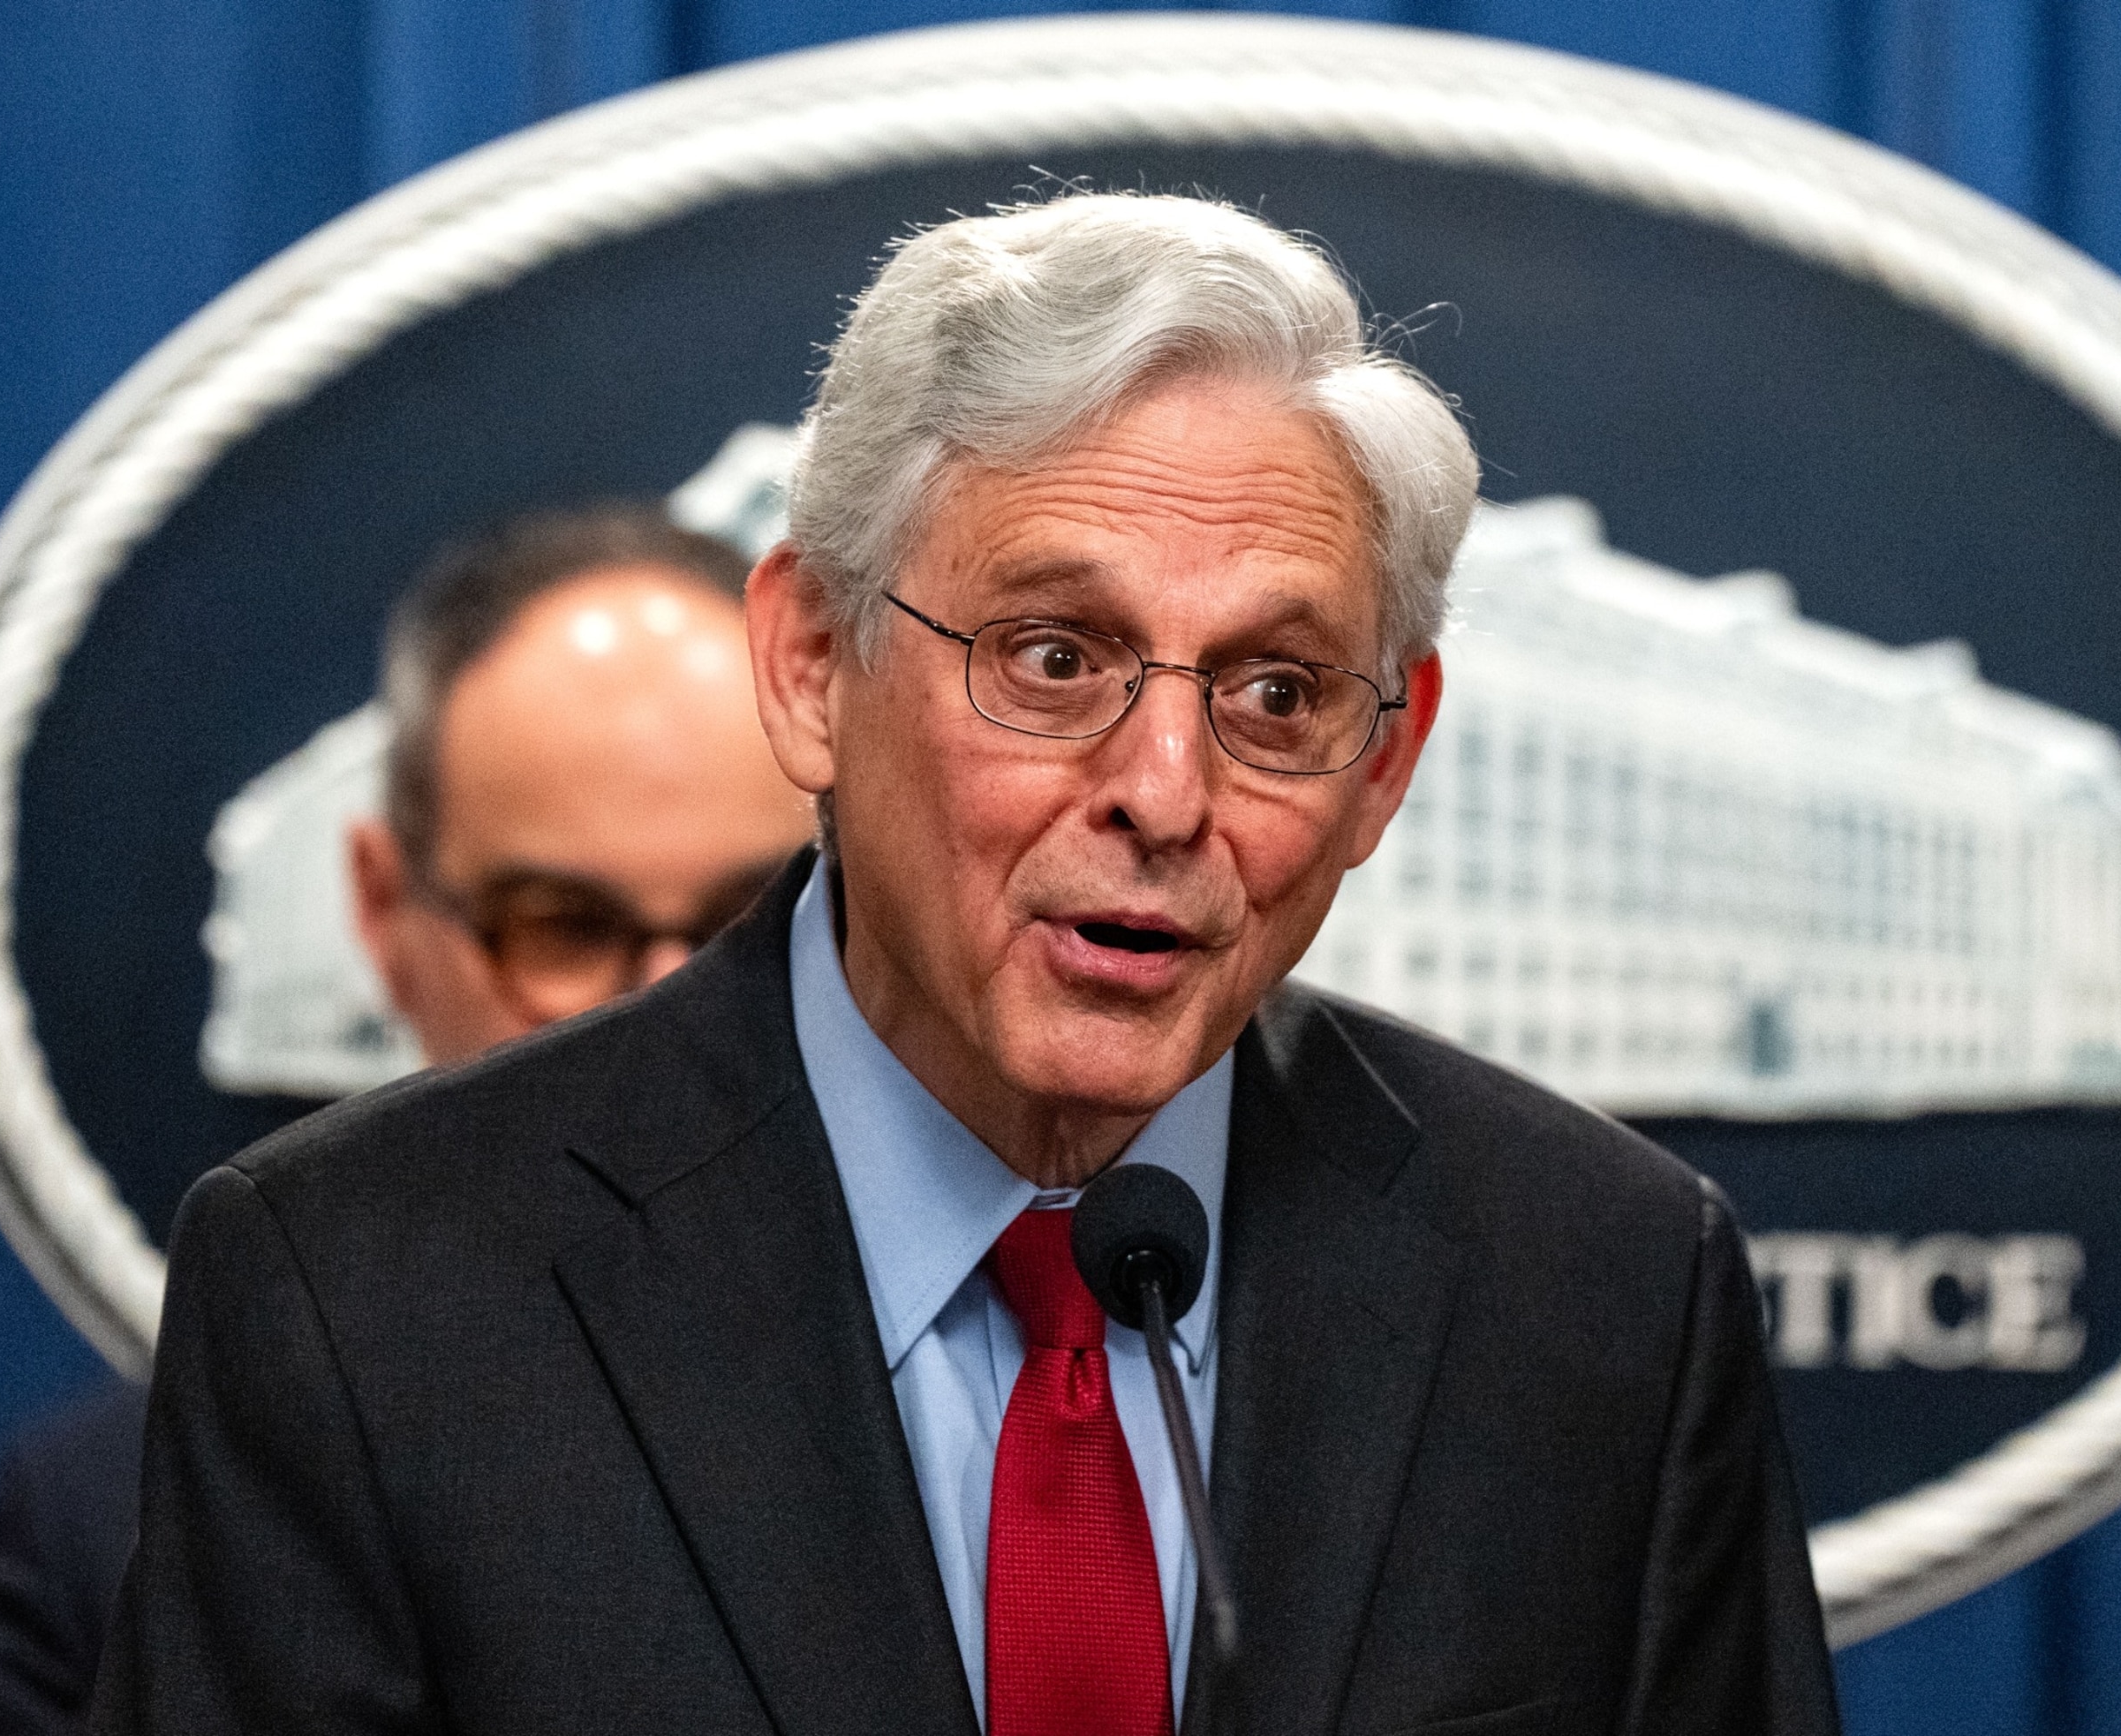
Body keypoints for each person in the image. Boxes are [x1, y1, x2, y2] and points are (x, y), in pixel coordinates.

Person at [95, 192, 1838, 1735]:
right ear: (806, 665)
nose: (1165, 792)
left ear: (1386, 759)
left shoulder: (1602, 1287)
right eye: (1057, 656)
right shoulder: (365, 1297)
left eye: (1278, 694)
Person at [0, 505, 811, 1736]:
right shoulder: (109, 1529)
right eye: (561, 925)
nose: (665, 1006)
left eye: (745, 921)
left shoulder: (1017, 1418)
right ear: (386, 912)